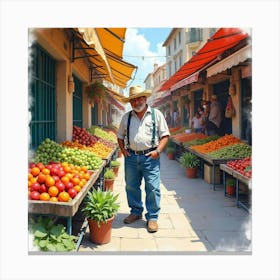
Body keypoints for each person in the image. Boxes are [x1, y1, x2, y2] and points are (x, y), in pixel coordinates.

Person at [117, 85, 170, 233]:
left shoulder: (156, 114)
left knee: (152, 187)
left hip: (150, 157)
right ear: (130, 102)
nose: (136, 102)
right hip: (131, 157)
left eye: (139, 98)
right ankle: (135, 212)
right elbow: (120, 136)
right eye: (133, 100)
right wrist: (123, 150)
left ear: (145, 99)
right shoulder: (126, 117)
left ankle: (152, 217)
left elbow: (165, 135)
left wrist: (158, 151)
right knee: (131, 186)